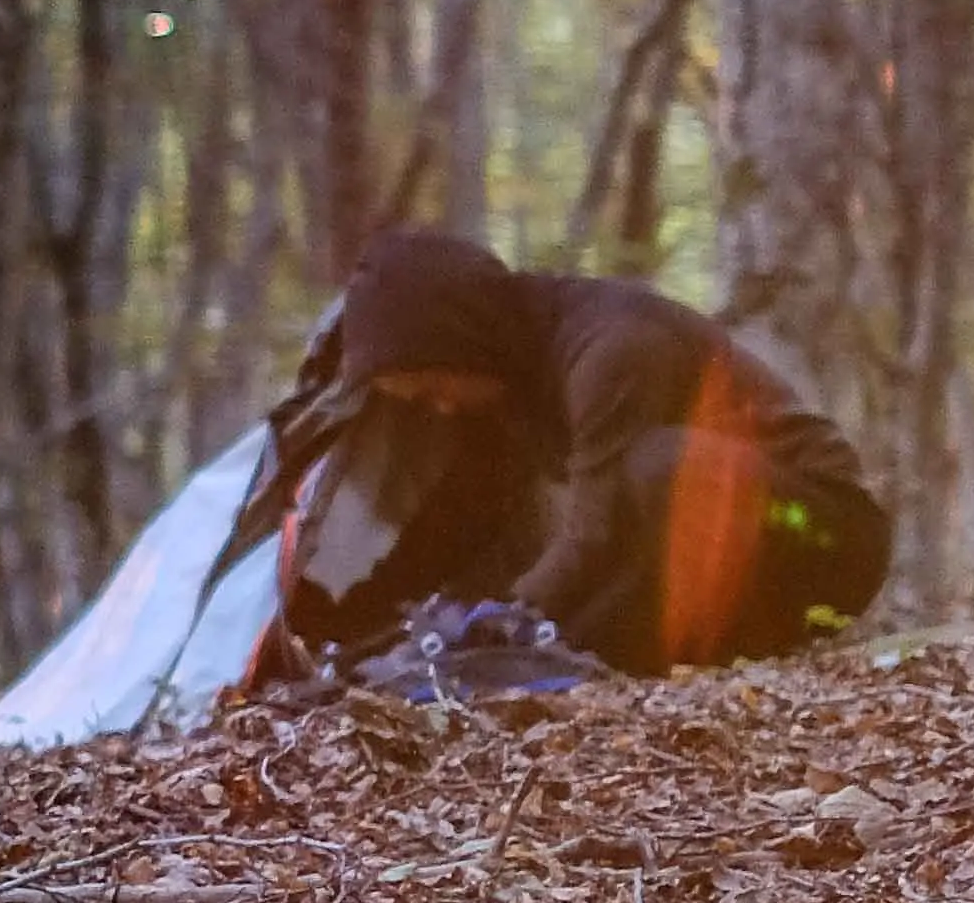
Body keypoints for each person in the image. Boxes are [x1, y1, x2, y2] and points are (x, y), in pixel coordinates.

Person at [247, 226, 892, 682]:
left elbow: (594, 531)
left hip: (824, 541)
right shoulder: (506, 384)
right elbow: (458, 523)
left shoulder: (613, 348)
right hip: (725, 549)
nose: (438, 407)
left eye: (435, 387)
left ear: (463, 339)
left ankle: (666, 654)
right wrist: (344, 615)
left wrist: (498, 625)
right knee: (612, 543)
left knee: (657, 469)